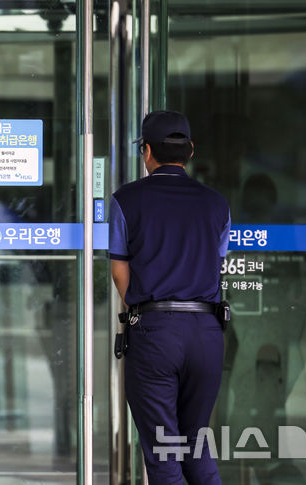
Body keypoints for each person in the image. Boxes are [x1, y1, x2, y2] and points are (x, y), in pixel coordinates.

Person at [109, 110, 231, 484]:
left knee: (164, 454)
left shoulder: (125, 200)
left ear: (146, 151)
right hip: (207, 332)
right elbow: (217, 263)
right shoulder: (217, 204)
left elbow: (119, 270)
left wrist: (141, 309)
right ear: (189, 151)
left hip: (155, 333)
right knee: (196, 444)